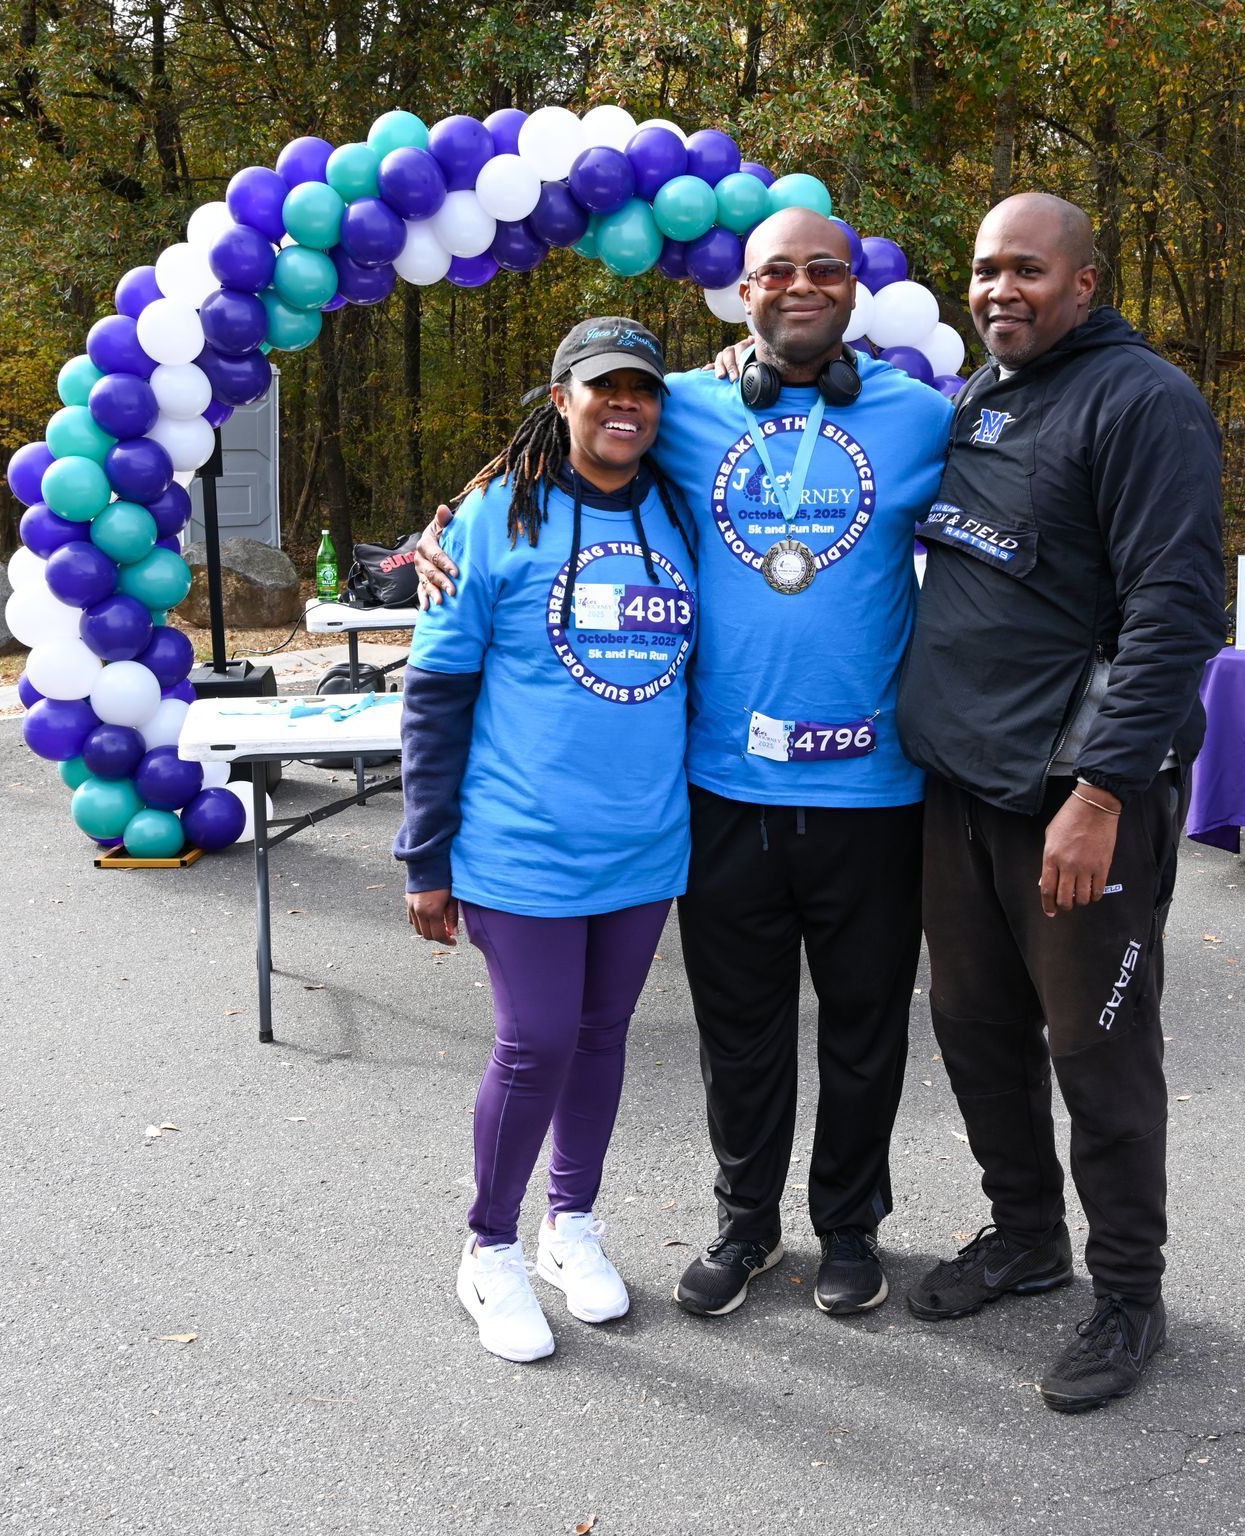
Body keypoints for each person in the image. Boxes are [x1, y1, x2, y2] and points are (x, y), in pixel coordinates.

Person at [415, 211, 954, 1319]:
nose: (800, 286)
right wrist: (452, 521)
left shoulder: (921, 416)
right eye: (775, 271)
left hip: (873, 789)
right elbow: (561, 446)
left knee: (865, 1030)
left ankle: (850, 1227)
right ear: (741, 294)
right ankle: (745, 1225)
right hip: (722, 792)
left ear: (854, 289)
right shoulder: (690, 407)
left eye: (824, 269)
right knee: (740, 1033)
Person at [895, 193, 1227, 1414]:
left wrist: (1101, 792)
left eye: (1027, 270)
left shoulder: (1145, 404)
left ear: (1085, 282)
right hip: (960, 787)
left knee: (1097, 1050)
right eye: (985, 269)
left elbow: (1175, 614)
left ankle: (1129, 1291)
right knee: (976, 1031)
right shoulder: (986, 392)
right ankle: (1028, 1234)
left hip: (1077, 802)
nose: (1000, 290)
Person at [393, 317, 698, 1362]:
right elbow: (436, 696)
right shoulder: (493, 516)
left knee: (603, 1036)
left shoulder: (677, 509)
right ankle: (489, 1247)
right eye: (603, 386)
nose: (626, 404)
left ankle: (571, 1227)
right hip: (521, 843)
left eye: (642, 389)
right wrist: (425, 853)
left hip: (644, 843)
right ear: (561, 398)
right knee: (537, 1043)